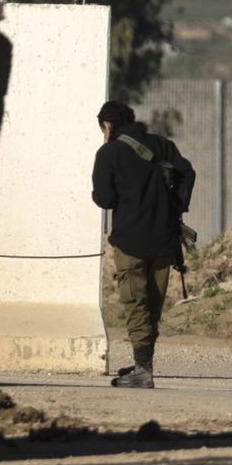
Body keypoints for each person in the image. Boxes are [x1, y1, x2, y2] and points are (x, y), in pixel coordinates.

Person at [91, 99, 196, 389]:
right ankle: (143, 363)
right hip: (164, 238)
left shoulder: (109, 152)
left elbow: (104, 199)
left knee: (136, 303)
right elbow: (188, 173)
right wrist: (175, 206)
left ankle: (142, 371)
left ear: (108, 125)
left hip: (130, 240)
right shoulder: (162, 145)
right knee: (153, 304)